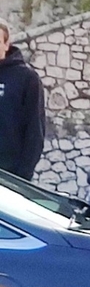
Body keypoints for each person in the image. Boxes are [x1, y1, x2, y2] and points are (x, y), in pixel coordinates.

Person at [0, 24, 44, 182]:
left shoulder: (27, 78)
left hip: (10, 179)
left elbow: (35, 132)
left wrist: (21, 178)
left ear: (6, 44)